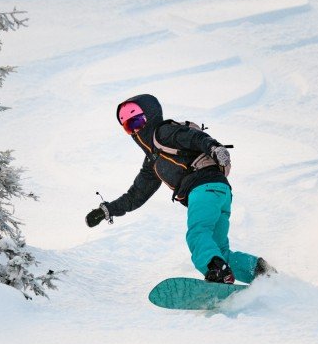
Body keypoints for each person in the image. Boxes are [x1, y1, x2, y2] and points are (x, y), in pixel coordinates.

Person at [85, 94, 274, 284]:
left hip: (203, 189)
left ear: (150, 116)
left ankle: (217, 272)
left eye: (137, 121)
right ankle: (261, 272)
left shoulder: (164, 132)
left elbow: (194, 138)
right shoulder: (152, 161)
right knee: (219, 249)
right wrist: (107, 210)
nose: (136, 130)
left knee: (197, 233)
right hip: (220, 191)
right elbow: (136, 195)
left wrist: (214, 148)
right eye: (128, 126)